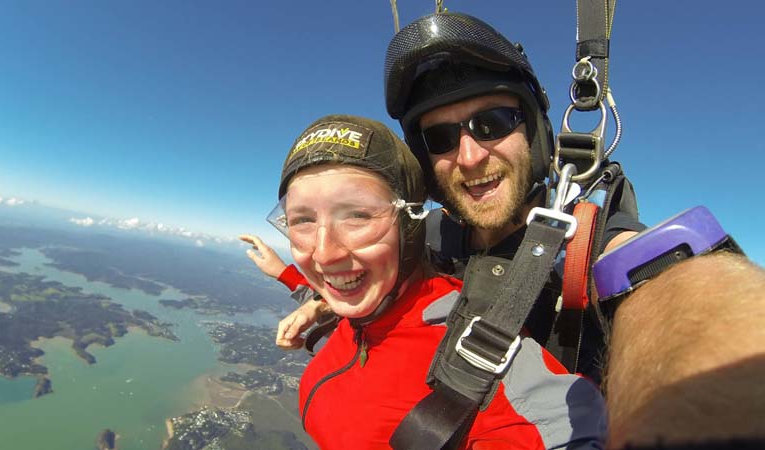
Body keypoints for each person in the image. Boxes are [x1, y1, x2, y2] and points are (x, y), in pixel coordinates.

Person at [254, 11, 765, 449]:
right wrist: (313, 298)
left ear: (535, 130)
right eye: (440, 136)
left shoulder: (585, 236)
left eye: (493, 122)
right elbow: (360, 269)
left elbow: (672, 285)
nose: (470, 155)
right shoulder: (434, 232)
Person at [262, 113, 608, 449]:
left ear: (410, 225)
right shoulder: (362, 311)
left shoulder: (473, 351)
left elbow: (561, 424)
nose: (323, 254)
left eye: (357, 215)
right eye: (302, 221)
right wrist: (292, 280)